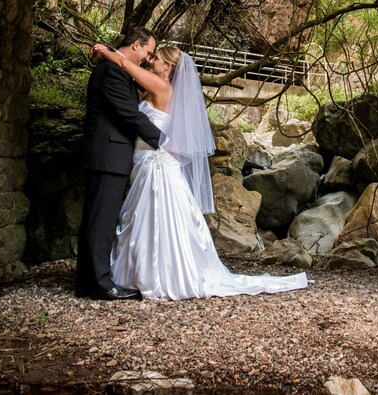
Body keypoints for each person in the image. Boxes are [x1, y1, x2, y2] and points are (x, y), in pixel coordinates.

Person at [92, 43, 309, 300]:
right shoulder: (156, 87)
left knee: (153, 219)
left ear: (169, 67)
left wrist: (106, 52)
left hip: (156, 164)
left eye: (157, 58)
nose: (152, 61)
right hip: (148, 162)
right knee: (145, 219)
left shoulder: (161, 87)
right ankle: (140, 273)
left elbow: (127, 65)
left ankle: (157, 275)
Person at [77, 27, 162, 301]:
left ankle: (90, 281)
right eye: (148, 53)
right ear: (136, 45)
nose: (148, 59)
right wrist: (166, 140)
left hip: (109, 155)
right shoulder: (112, 73)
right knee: (100, 221)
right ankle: (99, 284)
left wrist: (106, 51)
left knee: (99, 218)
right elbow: (129, 114)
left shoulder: (116, 68)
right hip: (107, 155)